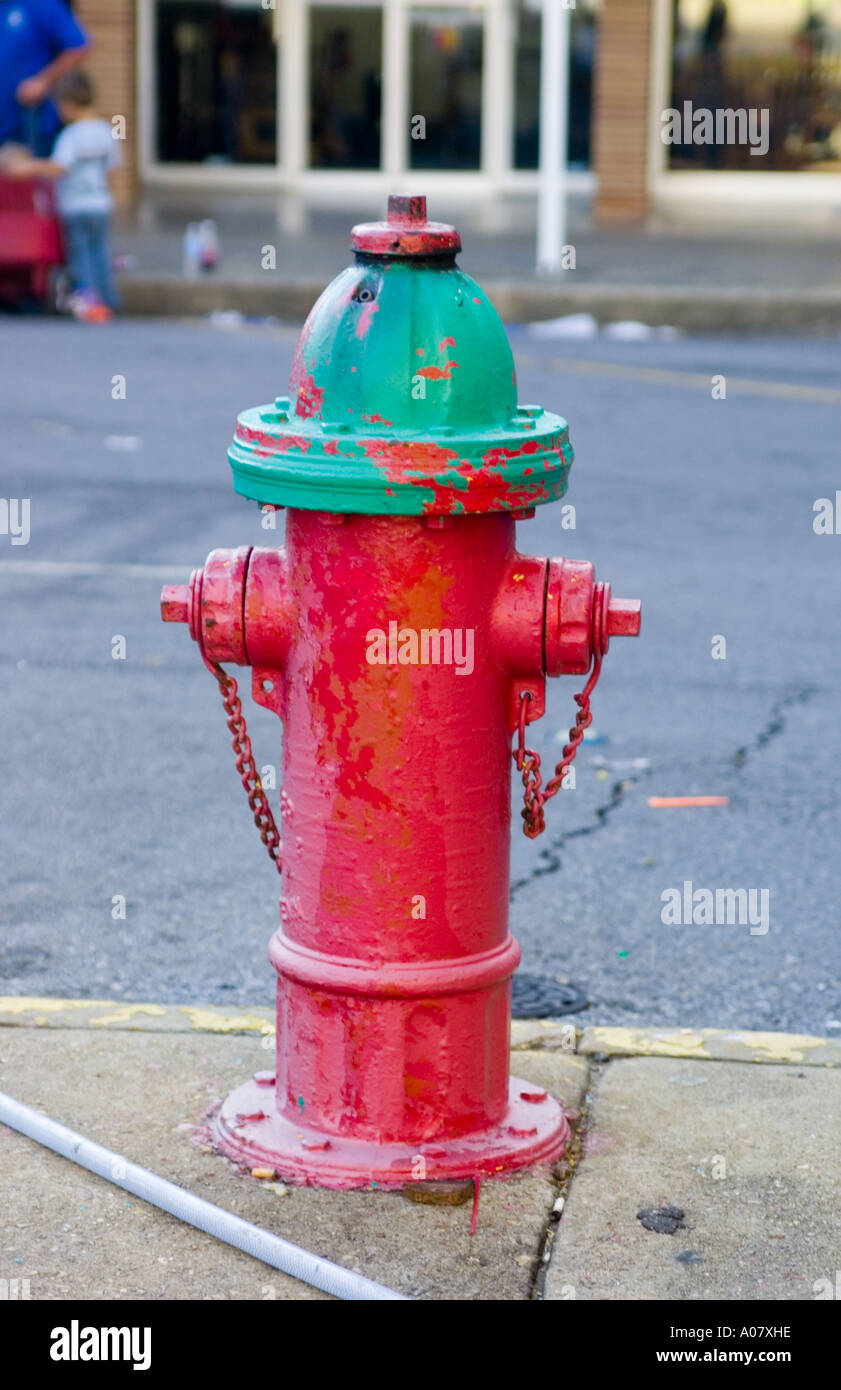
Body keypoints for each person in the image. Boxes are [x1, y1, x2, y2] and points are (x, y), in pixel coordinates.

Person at [7, 70, 120, 320]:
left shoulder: (70, 135)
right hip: (101, 204)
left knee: (80, 255)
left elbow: (60, 166)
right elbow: (112, 167)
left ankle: (89, 301)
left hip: (76, 205)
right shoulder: (106, 130)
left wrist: (29, 167)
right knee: (100, 251)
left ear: (67, 105)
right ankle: (109, 298)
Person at [0, 0, 90, 155]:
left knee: (31, 175)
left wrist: (42, 82)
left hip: (29, 122)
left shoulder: (42, 5)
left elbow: (78, 47)